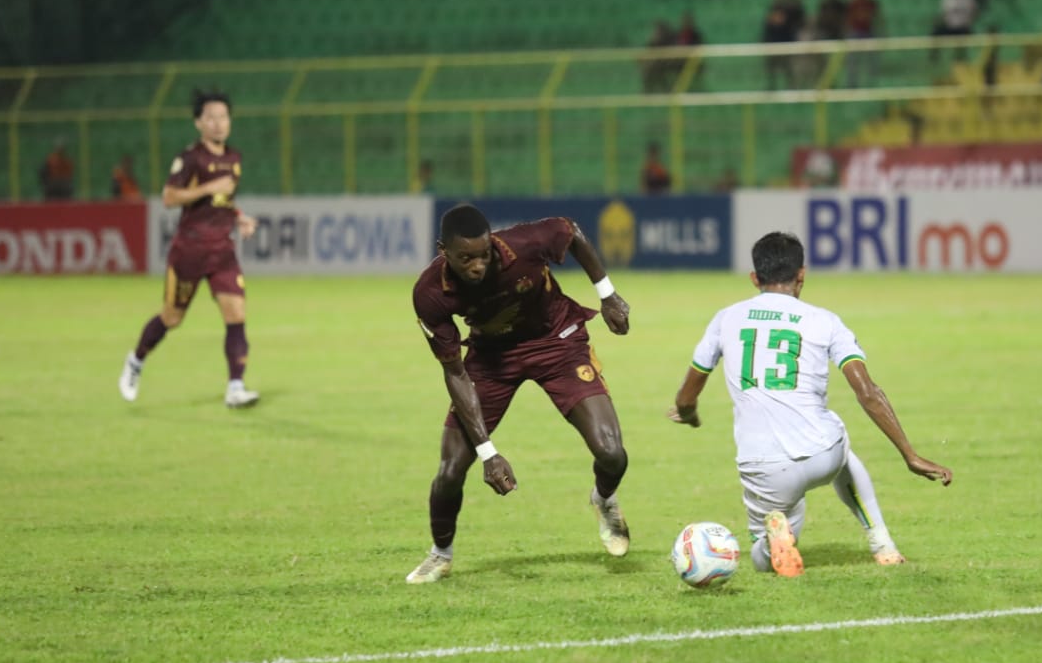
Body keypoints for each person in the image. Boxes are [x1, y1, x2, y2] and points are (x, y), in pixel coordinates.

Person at [666, 231, 952, 576]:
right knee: (838, 437)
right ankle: (882, 544)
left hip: (763, 468)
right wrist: (909, 454)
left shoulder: (726, 318)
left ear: (755, 278)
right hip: (822, 455)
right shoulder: (826, 321)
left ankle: (773, 539)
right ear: (801, 275)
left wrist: (690, 415)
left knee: (763, 555)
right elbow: (868, 393)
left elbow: (685, 397)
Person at [404, 204, 633, 583]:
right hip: (491, 359)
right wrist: (487, 453)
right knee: (449, 470)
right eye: (466, 259)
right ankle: (440, 554)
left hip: (557, 342)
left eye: (483, 254)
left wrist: (607, 294)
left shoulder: (524, 244)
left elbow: (571, 230)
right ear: (443, 250)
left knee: (612, 453)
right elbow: (455, 372)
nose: (478, 265)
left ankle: (604, 499)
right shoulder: (430, 293)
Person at [119, 90, 260, 408]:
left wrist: (239, 218)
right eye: (210, 117)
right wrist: (211, 186)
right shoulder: (191, 158)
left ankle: (235, 386)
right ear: (198, 123)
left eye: (223, 117)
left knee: (236, 313)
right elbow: (169, 197)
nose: (218, 123)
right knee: (172, 318)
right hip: (190, 251)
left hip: (222, 251)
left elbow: (222, 202)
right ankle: (136, 360)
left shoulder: (233, 158)